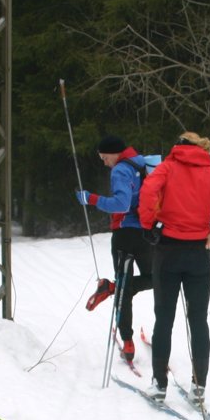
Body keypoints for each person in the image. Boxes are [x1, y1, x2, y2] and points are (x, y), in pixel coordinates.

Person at [136, 132, 210, 405]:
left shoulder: (168, 167)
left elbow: (148, 191)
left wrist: (148, 224)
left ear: (180, 146)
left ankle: (159, 385)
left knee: (164, 319)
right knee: (198, 320)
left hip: (168, 251)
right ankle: (199, 388)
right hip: (199, 253)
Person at [76, 134, 155, 361]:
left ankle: (127, 341)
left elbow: (121, 203)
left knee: (123, 291)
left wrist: (91, 199)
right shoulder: (144, 163)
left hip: (124, 234)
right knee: (155, 277)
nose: (104, 162)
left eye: (104, 157)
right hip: (148, 233)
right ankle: (114, 288)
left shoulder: (120, 170)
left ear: (113, 152)